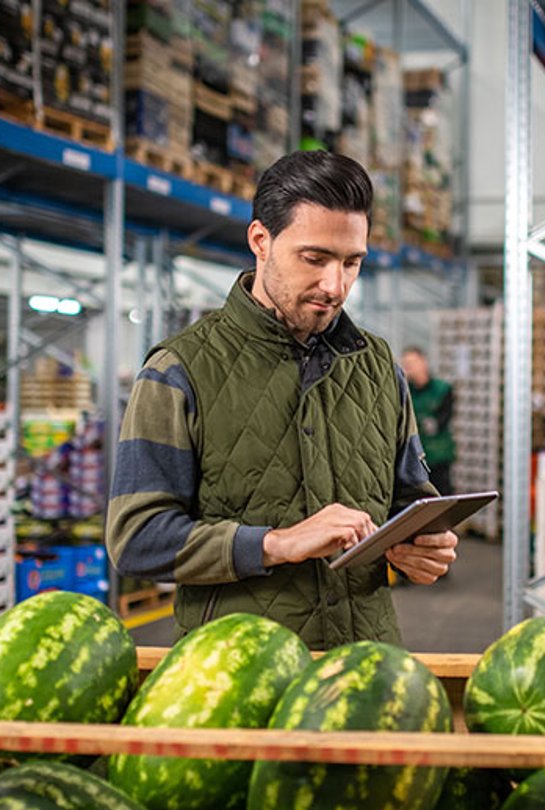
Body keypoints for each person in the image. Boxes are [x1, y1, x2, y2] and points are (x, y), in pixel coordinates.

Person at [105, 150, 458, 650]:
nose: (334, 286)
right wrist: (275, 543)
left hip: (365, 666)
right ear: (260, 241)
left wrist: (421, 542)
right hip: (236, 673)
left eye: (351, 263)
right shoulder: (178, 372)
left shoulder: (378, 366)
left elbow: (409, 497)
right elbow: (137, 538)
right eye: (314, 259)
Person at [400, 346, 455, 496]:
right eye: (406, 364)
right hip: (413, 457)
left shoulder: (441, 389)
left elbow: (441, 421)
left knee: (441, 495)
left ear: (423, 362)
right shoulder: (404, 390)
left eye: (412, 363)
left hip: (437, 456)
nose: (408, 368)